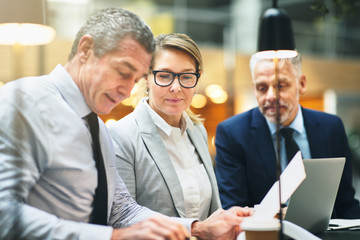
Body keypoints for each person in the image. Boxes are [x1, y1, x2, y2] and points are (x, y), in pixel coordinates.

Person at [0, 8, 252, 240]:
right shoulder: (25, 101)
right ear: (86, 50)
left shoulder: (95, 126)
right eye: (123, 71)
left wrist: (198, 228)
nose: (128, 90)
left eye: (136, 78)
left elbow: (120, 210)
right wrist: (112, 237)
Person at [108, 33, 252, 238]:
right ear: (146, 78)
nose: (176, 87)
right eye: (165, 75)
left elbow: (208, 214)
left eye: (186, 76)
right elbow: (121, 217)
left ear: (197, 78)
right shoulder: (121, 135)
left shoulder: (197, 130)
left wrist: (228, 221)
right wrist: (197, 228)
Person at [214, 53, 360, 219]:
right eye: (262, 88)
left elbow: (346, 203)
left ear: (302, 84)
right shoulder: (233, 133)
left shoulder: (331, 128)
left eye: (281, 86)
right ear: (254, 87)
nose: (270, 96)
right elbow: (234, 210)